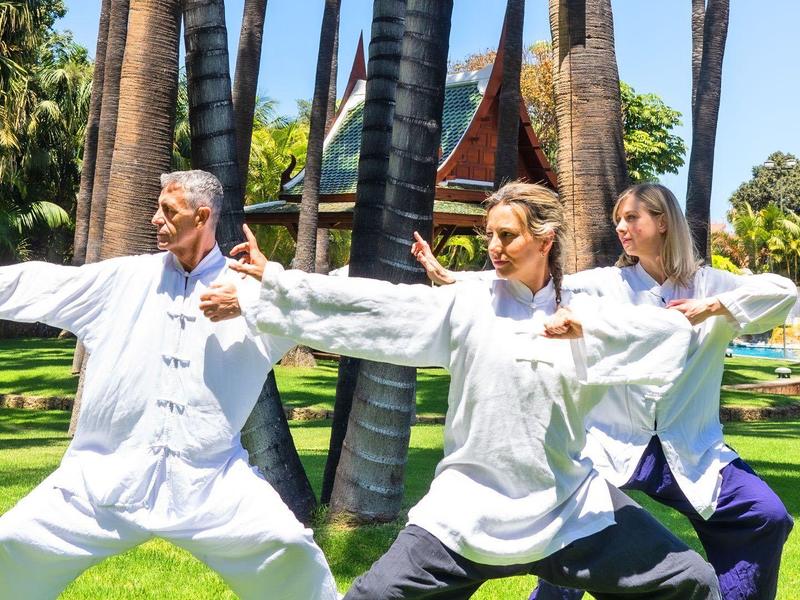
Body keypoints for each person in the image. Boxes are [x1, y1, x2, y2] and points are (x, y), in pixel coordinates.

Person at [206, 182, 721, 599]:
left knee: (689, 580)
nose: (494, 248)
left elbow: (671, 336)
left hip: (566, 503)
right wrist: (273, 285)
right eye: (489, 236)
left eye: (508, 236)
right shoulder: (467, 305)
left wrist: (593, 331)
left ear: (545, 240)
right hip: (468, 509)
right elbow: (374, 306)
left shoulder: (587, 308)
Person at [414, 183, 796, 600]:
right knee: (569, 539)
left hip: (692, 447)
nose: (621, 227)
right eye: (618, 220)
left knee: (767, 516)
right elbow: (529, 280)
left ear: (663, 221)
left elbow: (785, 294)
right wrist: (454, 278)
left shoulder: (711, 284)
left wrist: (715, 307)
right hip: (610, 445)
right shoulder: (604, 284)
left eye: (631, 217)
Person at [0, 170, 337, 599]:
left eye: (167, 211)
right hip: (103, 475)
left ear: (201, 216)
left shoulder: (250, 292)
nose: (155, 219)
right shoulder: (122, 279)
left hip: (211, 481)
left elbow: (331, 312)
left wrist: (260, 296)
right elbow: (38, 284)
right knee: (9, 543)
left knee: (291, 552)